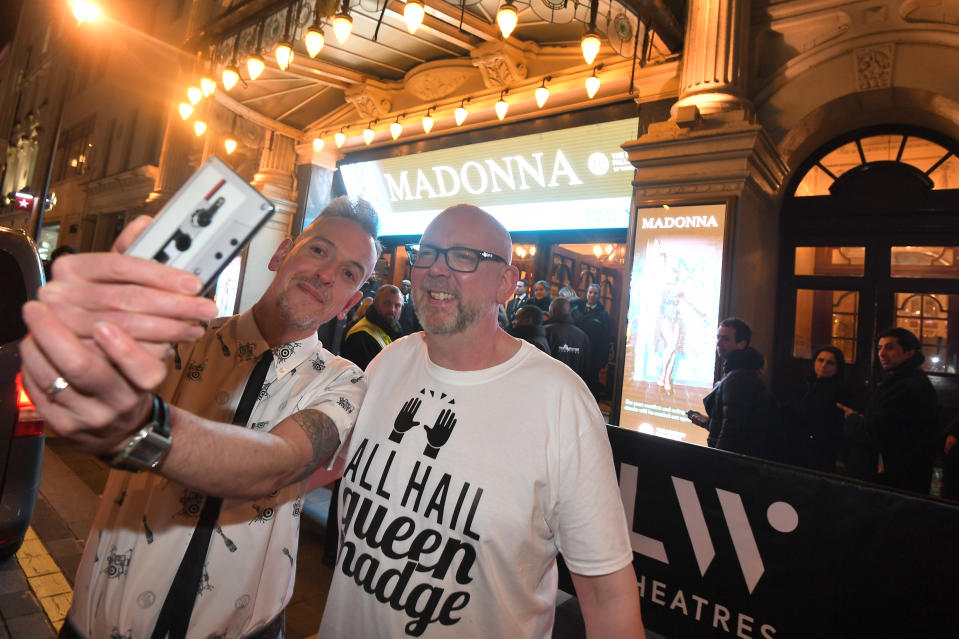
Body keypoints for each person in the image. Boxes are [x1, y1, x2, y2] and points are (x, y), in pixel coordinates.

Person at [19, 196, 381, 639]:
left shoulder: (343, 383)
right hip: (100, 621)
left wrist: (140, 427)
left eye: (348, 273)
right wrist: (87, 348)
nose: (327, 274)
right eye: (319, 249)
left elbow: (281, 462)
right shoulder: (180, 341)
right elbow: (90, 386)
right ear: (281, 253)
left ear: (350, 303)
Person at [318, 204, 643, 638]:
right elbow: (335, 480)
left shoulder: (559, 402)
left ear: (506, 283)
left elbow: (608, 596)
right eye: (428, 253)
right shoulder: (390, 360)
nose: (437, 270)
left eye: (463, 257)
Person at [840, 327, 939, 493]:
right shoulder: (900, 380)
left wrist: (852, 419)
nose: (881, 353)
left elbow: (875, 433)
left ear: (909, 352)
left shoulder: (906, 386)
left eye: (890, 347)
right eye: (879, 347)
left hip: (896, 479)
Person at [688, 318, 774, 458]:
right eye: (718, 337)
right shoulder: (740, 372)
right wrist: (708, 422)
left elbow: (731, 429)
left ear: (741, 343)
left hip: (730, 463)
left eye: (726, 339)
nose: (719, 343)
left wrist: (717, 459)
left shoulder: (738, 376)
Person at [777, 345, 851, 472]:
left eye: (830, 363)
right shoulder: (804, 383)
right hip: (793, 442)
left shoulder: (841, 391)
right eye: (820, 360)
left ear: (837, 367)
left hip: (819, 448)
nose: (823, 365)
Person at [341, 284, 404, 370]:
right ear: (375, 303)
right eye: (387, 303)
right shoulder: (361, 336)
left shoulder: (391, 329)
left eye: (397, 305)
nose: (392, 309)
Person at [577, 283, 612, 395]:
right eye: (590, 292)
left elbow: (605, 339)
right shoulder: (577, 309)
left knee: (590, 387)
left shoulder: (603, 314)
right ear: (586, 293)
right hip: (577, 354)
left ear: (599, 296)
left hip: (593, 356)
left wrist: (602, 360)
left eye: (595, 293)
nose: (592, 295)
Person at [545, 297, 591, 382]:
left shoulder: (546, 331)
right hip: (574, 385)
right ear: (568, 312)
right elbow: (586, 367)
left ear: (552, 311)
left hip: (550, 383)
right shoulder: (582, 336)